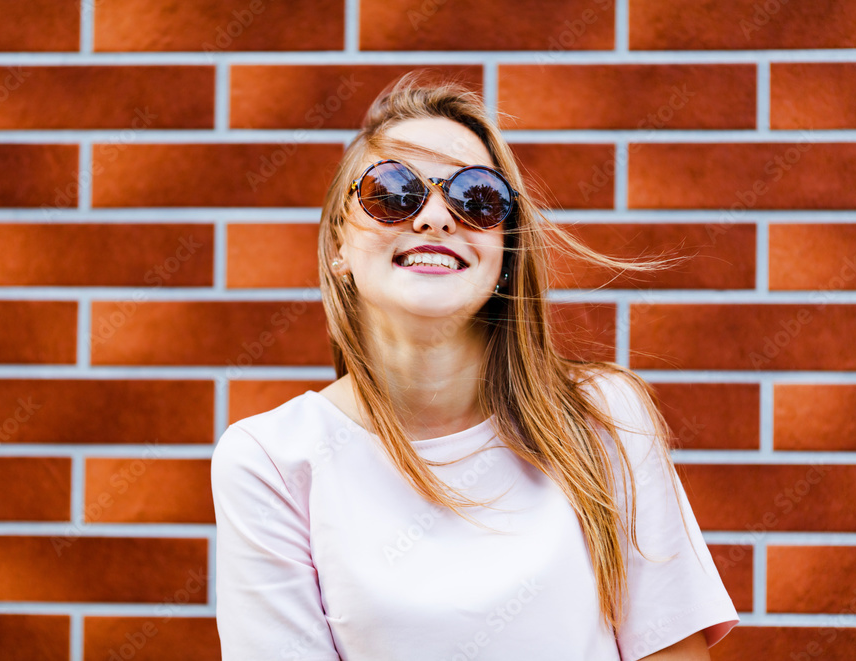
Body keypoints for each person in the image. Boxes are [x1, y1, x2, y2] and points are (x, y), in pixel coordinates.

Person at [211, 72, 739, 660]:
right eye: (392, 191)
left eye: (477, 197)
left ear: (505, 250)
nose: (436, 217)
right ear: (339, 245)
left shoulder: (604, 416)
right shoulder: (270, 461)